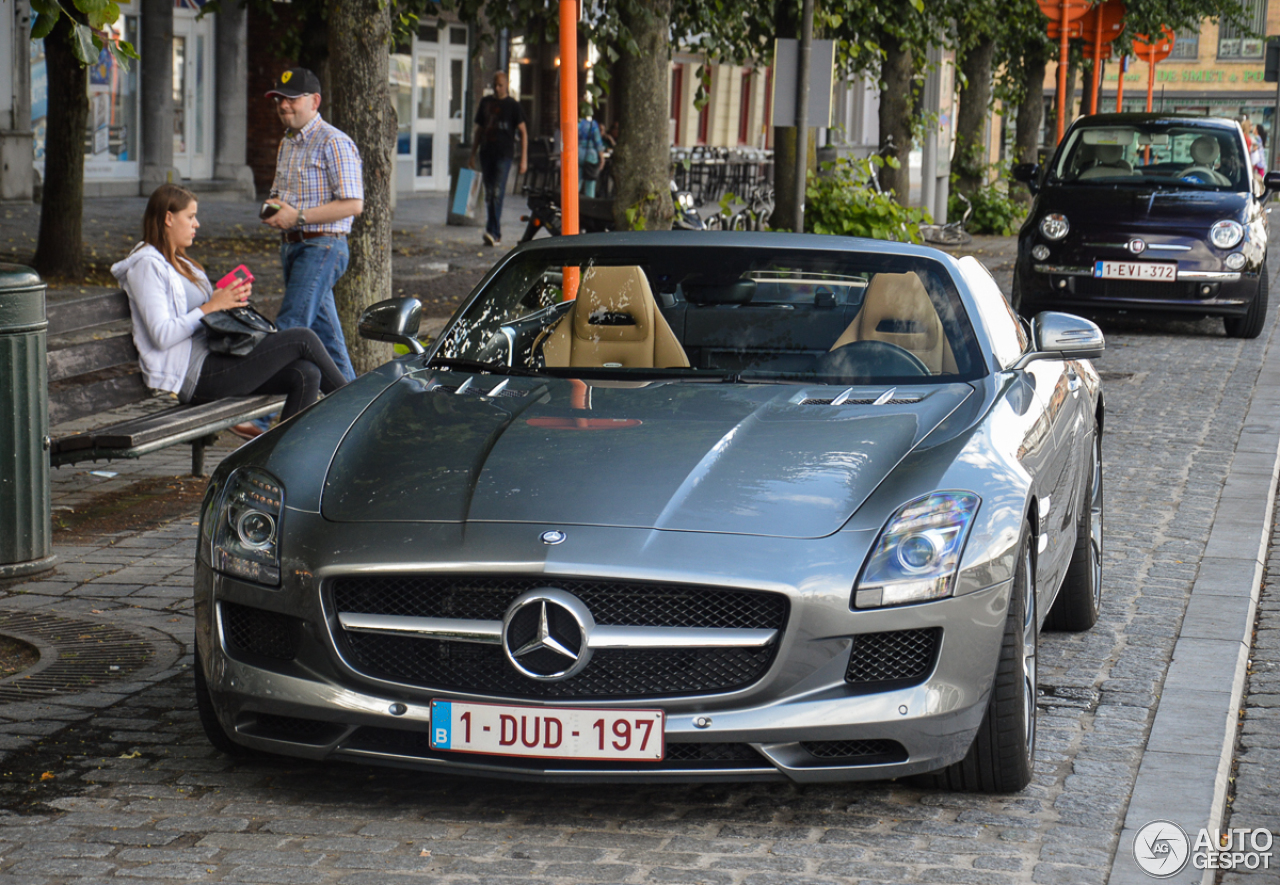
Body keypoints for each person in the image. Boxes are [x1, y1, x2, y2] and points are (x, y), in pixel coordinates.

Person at [112, 185, 347, 439]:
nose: (197, 224)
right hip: (196, 375)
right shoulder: (146, 266)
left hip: (216, 358)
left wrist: (228, 301)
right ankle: (358, 407)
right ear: (168, 218)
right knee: (302, 338)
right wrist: (211, 306)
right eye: (190, 217)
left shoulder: (182, 263)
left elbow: (204, 317)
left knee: (306, 373)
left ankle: (278, 465)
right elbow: (162, 334)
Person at [262, 67, 363, 383]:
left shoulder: (334, 142)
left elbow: (353, 204)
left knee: (290, 326)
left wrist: (299, 216)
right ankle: (354, 409)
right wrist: (273, 209)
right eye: (279, 98)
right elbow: (281, 195)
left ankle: (261, 418)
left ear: (314, 101)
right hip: (292, 247)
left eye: (292, 99)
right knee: (328, 342)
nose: (283, 105)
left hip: (323, 245)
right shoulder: (288, 142)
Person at [469, 72, 528, 247]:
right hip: (486, 152)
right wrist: (473, 153)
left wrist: (524, 158)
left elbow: (523, 132)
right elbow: (479, 130)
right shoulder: (486, 103)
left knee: (497, 192)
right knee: (489, 194)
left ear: (507, 84)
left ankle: (493, 232)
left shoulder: (513, 106)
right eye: (495, 85)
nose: (497, 88)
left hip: (504, 154)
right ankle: (493, 231)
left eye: (500, 85)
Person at [578, 113, 604, 198]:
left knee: (576, 182)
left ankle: (574, 205)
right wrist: (602, 157)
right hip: (590, 155)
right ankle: (589, 204)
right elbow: (598, 141)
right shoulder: (593, 124)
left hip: (577, 154)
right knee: (590, 184)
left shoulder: (577, 123)